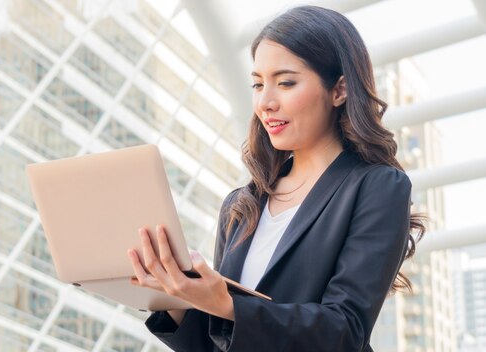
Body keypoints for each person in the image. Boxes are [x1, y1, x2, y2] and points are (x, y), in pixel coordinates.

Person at [126, 5, 426, 351]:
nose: (265, 102)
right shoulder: (242, 205)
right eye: (257, 84)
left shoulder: (377, 187)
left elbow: (345, 330)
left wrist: (226, 304)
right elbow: (218, 344)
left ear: (339, 90)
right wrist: (177, 298)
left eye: (285, 82)